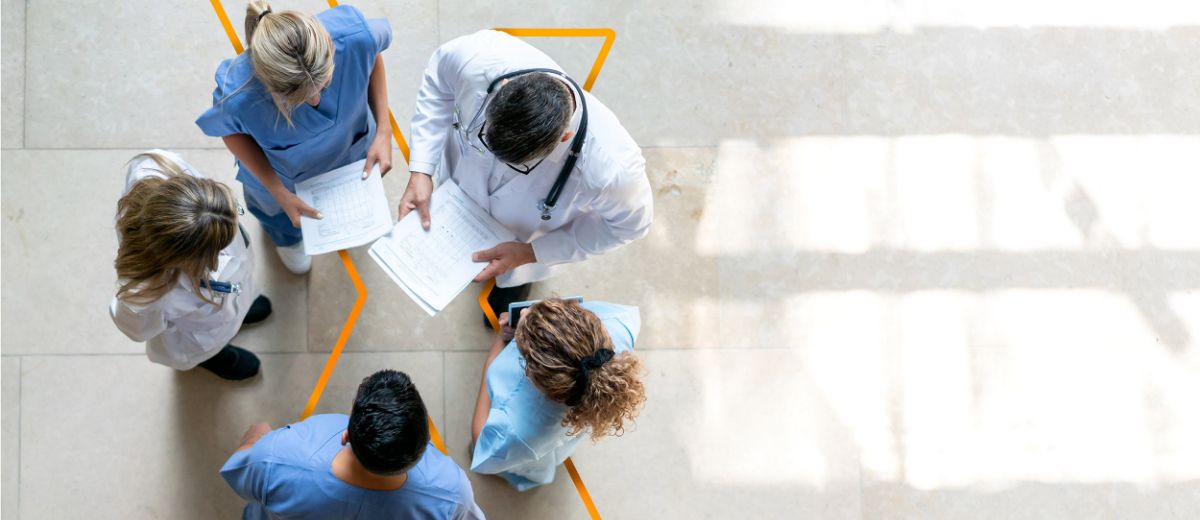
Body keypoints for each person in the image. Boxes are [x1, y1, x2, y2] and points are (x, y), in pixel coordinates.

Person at [399, 30, 654, 317]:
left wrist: (531, 253)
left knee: (505, 298)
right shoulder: (479, 57)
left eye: (520, 164)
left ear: (564, 137)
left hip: (521, 244)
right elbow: (438, 81)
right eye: (484, 138)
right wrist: (421, 169)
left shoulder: (612, 169)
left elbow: (630, 226)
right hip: (456, 201)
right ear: (503, 88)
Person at [197, 1, 394, 274]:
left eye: (324, 85)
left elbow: (371, 56)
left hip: (351, 148)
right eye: (299, 99)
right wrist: (279, 192)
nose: (315, 99)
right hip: (279, 180)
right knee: (277, 216)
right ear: (266, 86)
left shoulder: (353, 36)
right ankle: (288, 241)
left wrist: (384, 129)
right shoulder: (239, 95)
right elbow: (229, 131)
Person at [223, 369, 485, 519]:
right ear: (424, 445)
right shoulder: (451, 492)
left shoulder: (275, 459)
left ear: (346, 436)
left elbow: (240, 474)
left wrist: (257, 436)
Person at [110, 150, 270, 380]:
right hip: (201, 334)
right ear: (185, 258)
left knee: (238, 291)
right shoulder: (143, 294)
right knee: (208, 343)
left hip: (233, 288)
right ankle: (214, 357)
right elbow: (139, 330)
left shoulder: (157, 166)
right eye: (217, 252)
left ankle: (240, 310)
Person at [470, 298, 646, 491]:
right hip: (566, 431)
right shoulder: (619, 323)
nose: (523, 312)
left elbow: (483, 444)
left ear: (532, 375)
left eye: (521, 347)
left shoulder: (517, 430)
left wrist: (494, 352)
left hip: (533, 446)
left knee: (525, 464)